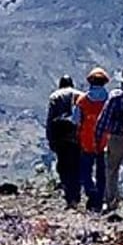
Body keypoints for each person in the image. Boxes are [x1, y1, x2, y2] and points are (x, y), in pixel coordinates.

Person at [95, 66, 123, 213]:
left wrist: (98, 136)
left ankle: (112, 202)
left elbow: (104, 119)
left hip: (116, 138)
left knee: (112, 170)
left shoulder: (115, 97)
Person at [72, 67, 110, 212]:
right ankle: (100, 198)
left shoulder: (82, 101)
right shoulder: (108, 99)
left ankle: (91, 192)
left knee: (86, 171)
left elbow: (75, 120)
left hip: (86, 140)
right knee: (102, 171)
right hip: (104, 141)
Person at [45, 74, 82, 209]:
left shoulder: (55, 96)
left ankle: (69, 195)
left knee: (64, 167)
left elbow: (50, 119)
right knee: (76, 166)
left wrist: (50, 138)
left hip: (61, 138)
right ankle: (76, 195)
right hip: (77, 137)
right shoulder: (80, 96)